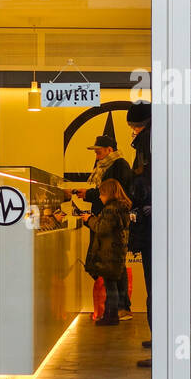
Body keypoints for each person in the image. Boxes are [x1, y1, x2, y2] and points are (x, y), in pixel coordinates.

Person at [73, 133, 135, 318]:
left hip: (108, 226)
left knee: (113, 270)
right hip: (106, 223)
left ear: (109, 150)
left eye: (99, 152)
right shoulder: (111, 166)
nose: (96, 156)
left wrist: (91, 197)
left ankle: (117, 310)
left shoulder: (119, 165)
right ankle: (117, 309)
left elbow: (113, 191)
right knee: (115, 269)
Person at [126, 103, 153, 368]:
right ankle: (160, 341)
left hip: (150, 225)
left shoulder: (148, 142)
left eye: (132, 126)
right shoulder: (153, 139)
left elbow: (144, 183)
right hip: (151, 222)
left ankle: (162, 346)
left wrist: (144, 206)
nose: (132, 132)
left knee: (155, 286)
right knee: (155, 286)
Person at [86, 179, 132, 327]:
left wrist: (89, 219)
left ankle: (111, 316)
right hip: (117, 252)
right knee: (113, 285)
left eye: (101, 193)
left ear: (108, 193)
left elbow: (102, 228)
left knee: (110, 287)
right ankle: (111, 315)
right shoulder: (122, 207)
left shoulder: (111, 209)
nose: (100, 197)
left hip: (109, 253)